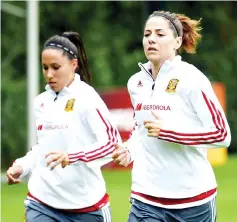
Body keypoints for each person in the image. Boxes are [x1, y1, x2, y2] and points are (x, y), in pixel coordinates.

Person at [112, 10, 231, 222]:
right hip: (146, 197)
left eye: (159, 34)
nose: (151, 39)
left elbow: (222, 135)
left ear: (177, 41)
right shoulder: (135, 83)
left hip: (193, 200)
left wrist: (170, 132)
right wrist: (129, 149)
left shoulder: (192, 79)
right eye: (147, 34)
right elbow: (141, 130)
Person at [6, 31, 121, 222]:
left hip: (87, 207)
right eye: (45, 68)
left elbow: (112, 144)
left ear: (73, 65)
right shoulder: (41, 102)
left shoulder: (87, 98)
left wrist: (72, 157)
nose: (49, 74)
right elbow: (43, 148)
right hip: (42, 202)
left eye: (55, 67)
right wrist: (22, 166)